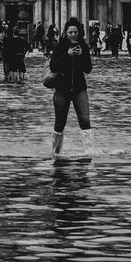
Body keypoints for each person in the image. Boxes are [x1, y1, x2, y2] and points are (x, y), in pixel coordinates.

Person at [49, 18, 95, 158]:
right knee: (59, 123)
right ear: (65, 33)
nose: (73, 35)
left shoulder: (84, 46)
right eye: (70, 32)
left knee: (85, 120)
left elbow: (88, 69)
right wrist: (67, 55)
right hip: (62, 89)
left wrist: (81, 57)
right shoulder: (60, 46)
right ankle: (55, 153)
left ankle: (89, 152)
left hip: (80, 89)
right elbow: (53, 66)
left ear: (79, 33)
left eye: (75, 32)